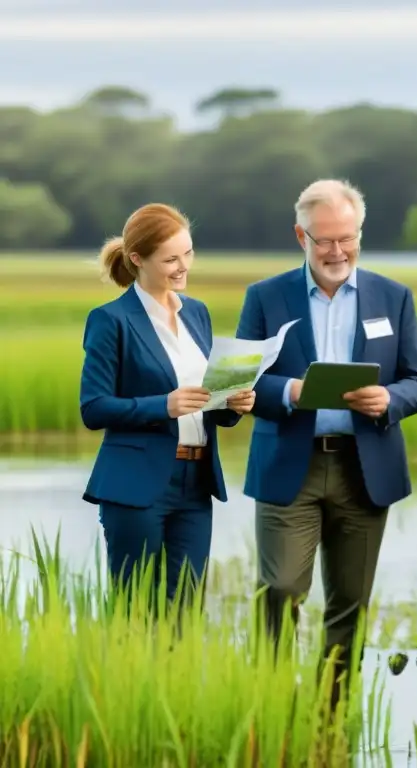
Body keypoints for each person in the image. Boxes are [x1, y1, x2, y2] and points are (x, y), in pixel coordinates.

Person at [234, 178, 417, 710]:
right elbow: (241, 381)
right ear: (301, 235)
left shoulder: (394, 297)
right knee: (280, 590)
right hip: (287, 466)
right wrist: (290, 391)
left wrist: (388, 400)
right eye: (324, 240)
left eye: (347, 238)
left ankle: (332, 714)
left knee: (350, 603)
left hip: (364, 469)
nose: (337, 251)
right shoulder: (265, 297)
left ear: (359, 234)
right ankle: (273, 704)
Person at [79, 202, 254, 613]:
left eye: (188, 253)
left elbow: (205, 398)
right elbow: (94, 407)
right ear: (137, 259)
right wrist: (165, 405)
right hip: (135, 485)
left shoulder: (198, 313)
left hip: (196, 484)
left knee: (184, 610)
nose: (183, 267)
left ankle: (174, 680)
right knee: (135, 612)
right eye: (171, 259)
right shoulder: (111, 320)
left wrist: (233, 403)